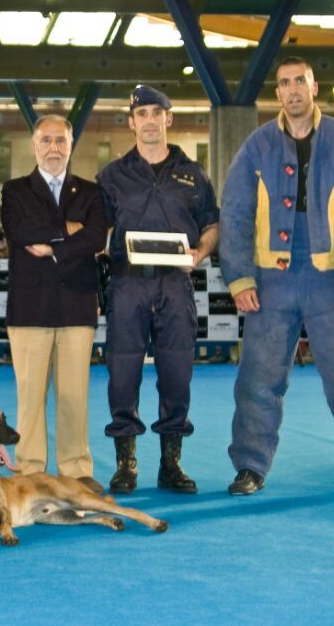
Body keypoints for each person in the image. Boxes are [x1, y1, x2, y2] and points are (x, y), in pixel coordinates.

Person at [222, 56, 334, 497]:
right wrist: (240, 278)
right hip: (270, 278)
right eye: (285, 83)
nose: (293, 89)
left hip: (332, 279)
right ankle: (250, 466)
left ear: (314, 87)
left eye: (301, 80)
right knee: (257, 379)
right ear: (277, 92)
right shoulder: (256, 145)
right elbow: (236, 214)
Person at [96, 85, 219, 495]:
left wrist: (201, 251)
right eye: (141, 114)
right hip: (127, 284)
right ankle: (126, 464)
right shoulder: (111, 176)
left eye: (156, 112)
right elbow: (96, 228)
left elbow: (211, 224)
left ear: (168, 118)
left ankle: (171, 463)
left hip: (175, 285)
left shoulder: (194, 173)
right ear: (131, 122)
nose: (149, 120)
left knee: (178, 373)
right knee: (122, 374)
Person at [0, 115, 108, 495]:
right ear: (34, 145)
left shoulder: (91, 192)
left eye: (60, 140)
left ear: (71, 144)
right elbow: (20, 232)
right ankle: (29, 471)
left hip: (77, 307)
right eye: (46, 140)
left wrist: (53, 246)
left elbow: (96, 237)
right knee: (30, 399)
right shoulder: (15, 190)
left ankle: (76, 471)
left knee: (74, 397)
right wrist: (68, 231)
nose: (53, 148)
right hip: (30, 310)